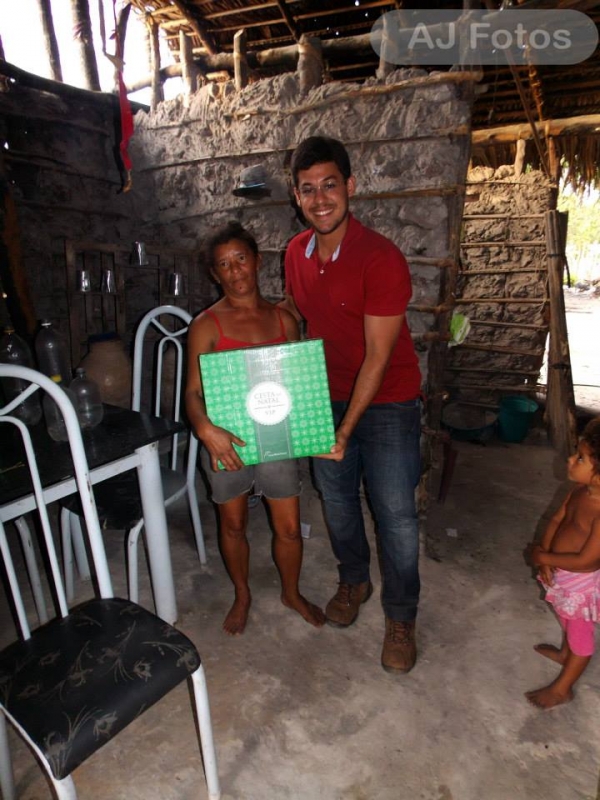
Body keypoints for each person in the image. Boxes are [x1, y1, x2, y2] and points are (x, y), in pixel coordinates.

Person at [282, 136, 422, 673]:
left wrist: (344, 431)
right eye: (308, 189)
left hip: (386, 398)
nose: (320, 199)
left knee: (395, 515)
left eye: (330, 186)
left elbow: (378, 359)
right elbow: (298, 311)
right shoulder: (294, 253)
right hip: (324, 394)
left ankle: (402, 616)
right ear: (297, 197)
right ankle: (354, 581)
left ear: (351, 188)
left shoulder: (381, 257)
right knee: (336, 502)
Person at [186, 221, 326, 636]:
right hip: (223, 443)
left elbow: (297, 386)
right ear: (215, 274)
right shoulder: (206, 325)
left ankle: (291, 592)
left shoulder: (285, 321)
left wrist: (313, 428)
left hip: (277, 438)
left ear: (257, 260)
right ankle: (242, 593)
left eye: (240, 259)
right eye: (223, 265)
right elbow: (192, 393)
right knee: (233, 525)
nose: (234, 271)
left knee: (287, 527)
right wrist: (204, 429)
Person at [524, 417, 600, 709]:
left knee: (581, 639)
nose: (571, 459)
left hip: (580, 583)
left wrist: (545, 557)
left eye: (580, 457)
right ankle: (564, 654)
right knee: (564, 617)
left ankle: (562, 689)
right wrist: (544, 551)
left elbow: (587, 560)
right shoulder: (578, 492)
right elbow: (557, 520)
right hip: (560, 572)